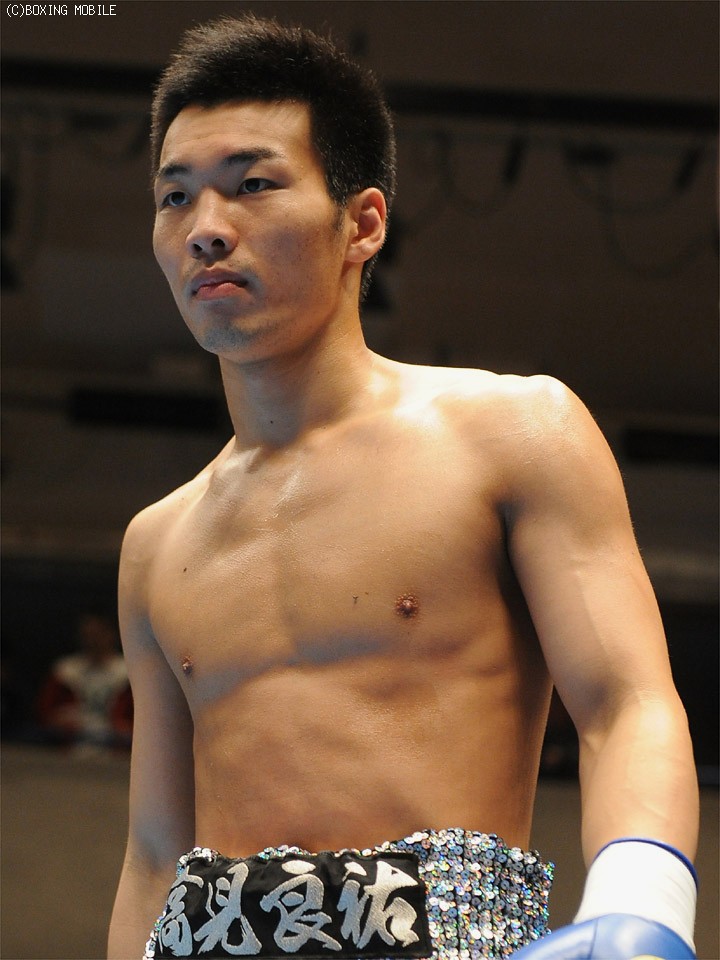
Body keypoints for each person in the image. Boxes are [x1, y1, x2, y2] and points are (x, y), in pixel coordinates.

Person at [108, 15, 699, 960]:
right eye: (175, 196)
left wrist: (644, 905)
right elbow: (153, 856)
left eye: (253, 184)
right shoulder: (157, 543)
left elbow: (627, 702)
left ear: (364, 222)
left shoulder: (513, 433)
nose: (206, 228)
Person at [36, 611, 132, 750]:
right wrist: (59, 720)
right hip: (71, 747)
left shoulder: (128, 673)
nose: (92, 641)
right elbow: (44, 714)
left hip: (115, 749)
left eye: (97, 635)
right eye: (87, 635)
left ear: (111, 634)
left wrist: (124, 726)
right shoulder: (65, 671)